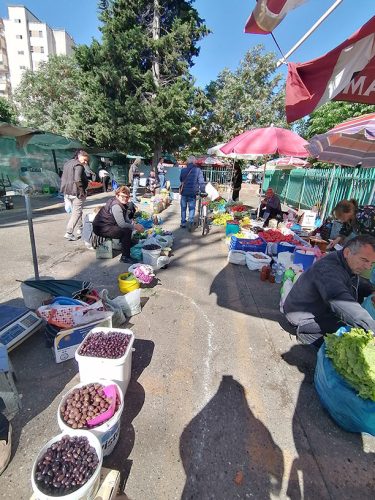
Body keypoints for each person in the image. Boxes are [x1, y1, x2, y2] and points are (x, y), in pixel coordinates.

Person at [283, 235, 375, 346]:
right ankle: (305, 334)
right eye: (364, 260)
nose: (368, 267)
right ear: (347, 252)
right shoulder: (328, 269)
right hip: (304, 319)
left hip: (319, 308)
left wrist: (371, 290)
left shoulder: (344, 262)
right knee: (348, 338)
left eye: (371, 263)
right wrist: (371, 326)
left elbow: (354, 283)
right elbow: (341, 299)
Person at [93, 185, 144, 264]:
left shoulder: (123, 203)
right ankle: (125, 257)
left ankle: (126, 244)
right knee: (126, 231)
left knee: (128, 228)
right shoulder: (116, 205)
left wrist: (133, 223)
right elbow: (122, 224)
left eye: (127, 197)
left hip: (107, 224)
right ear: (117, 195)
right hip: (101, 228)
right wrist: (135, 227)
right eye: (123, 196)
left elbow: (126, 218)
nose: (125, 199)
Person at [60, 149, 90, 241]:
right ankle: (69, 232)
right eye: (84, 160)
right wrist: (82, 191)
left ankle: (80, 229)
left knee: (78, 211)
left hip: (67, 191)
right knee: (76, 213)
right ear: (79, 156)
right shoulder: (78, 165)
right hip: (76, 192)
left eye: (86, 161)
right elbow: (77, 179)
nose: (85, 162)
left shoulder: (67, 163)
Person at [179, 155, 206, 231]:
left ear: (187, 162)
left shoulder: (183, 170)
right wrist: (203, 191)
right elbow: (201, 182)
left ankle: (183, 223)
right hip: (193, 193)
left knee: (183, 208)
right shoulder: (198, 170)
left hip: (184, 192)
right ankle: (190, 222)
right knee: (192, 208)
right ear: (194, 162)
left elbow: (181, 179)